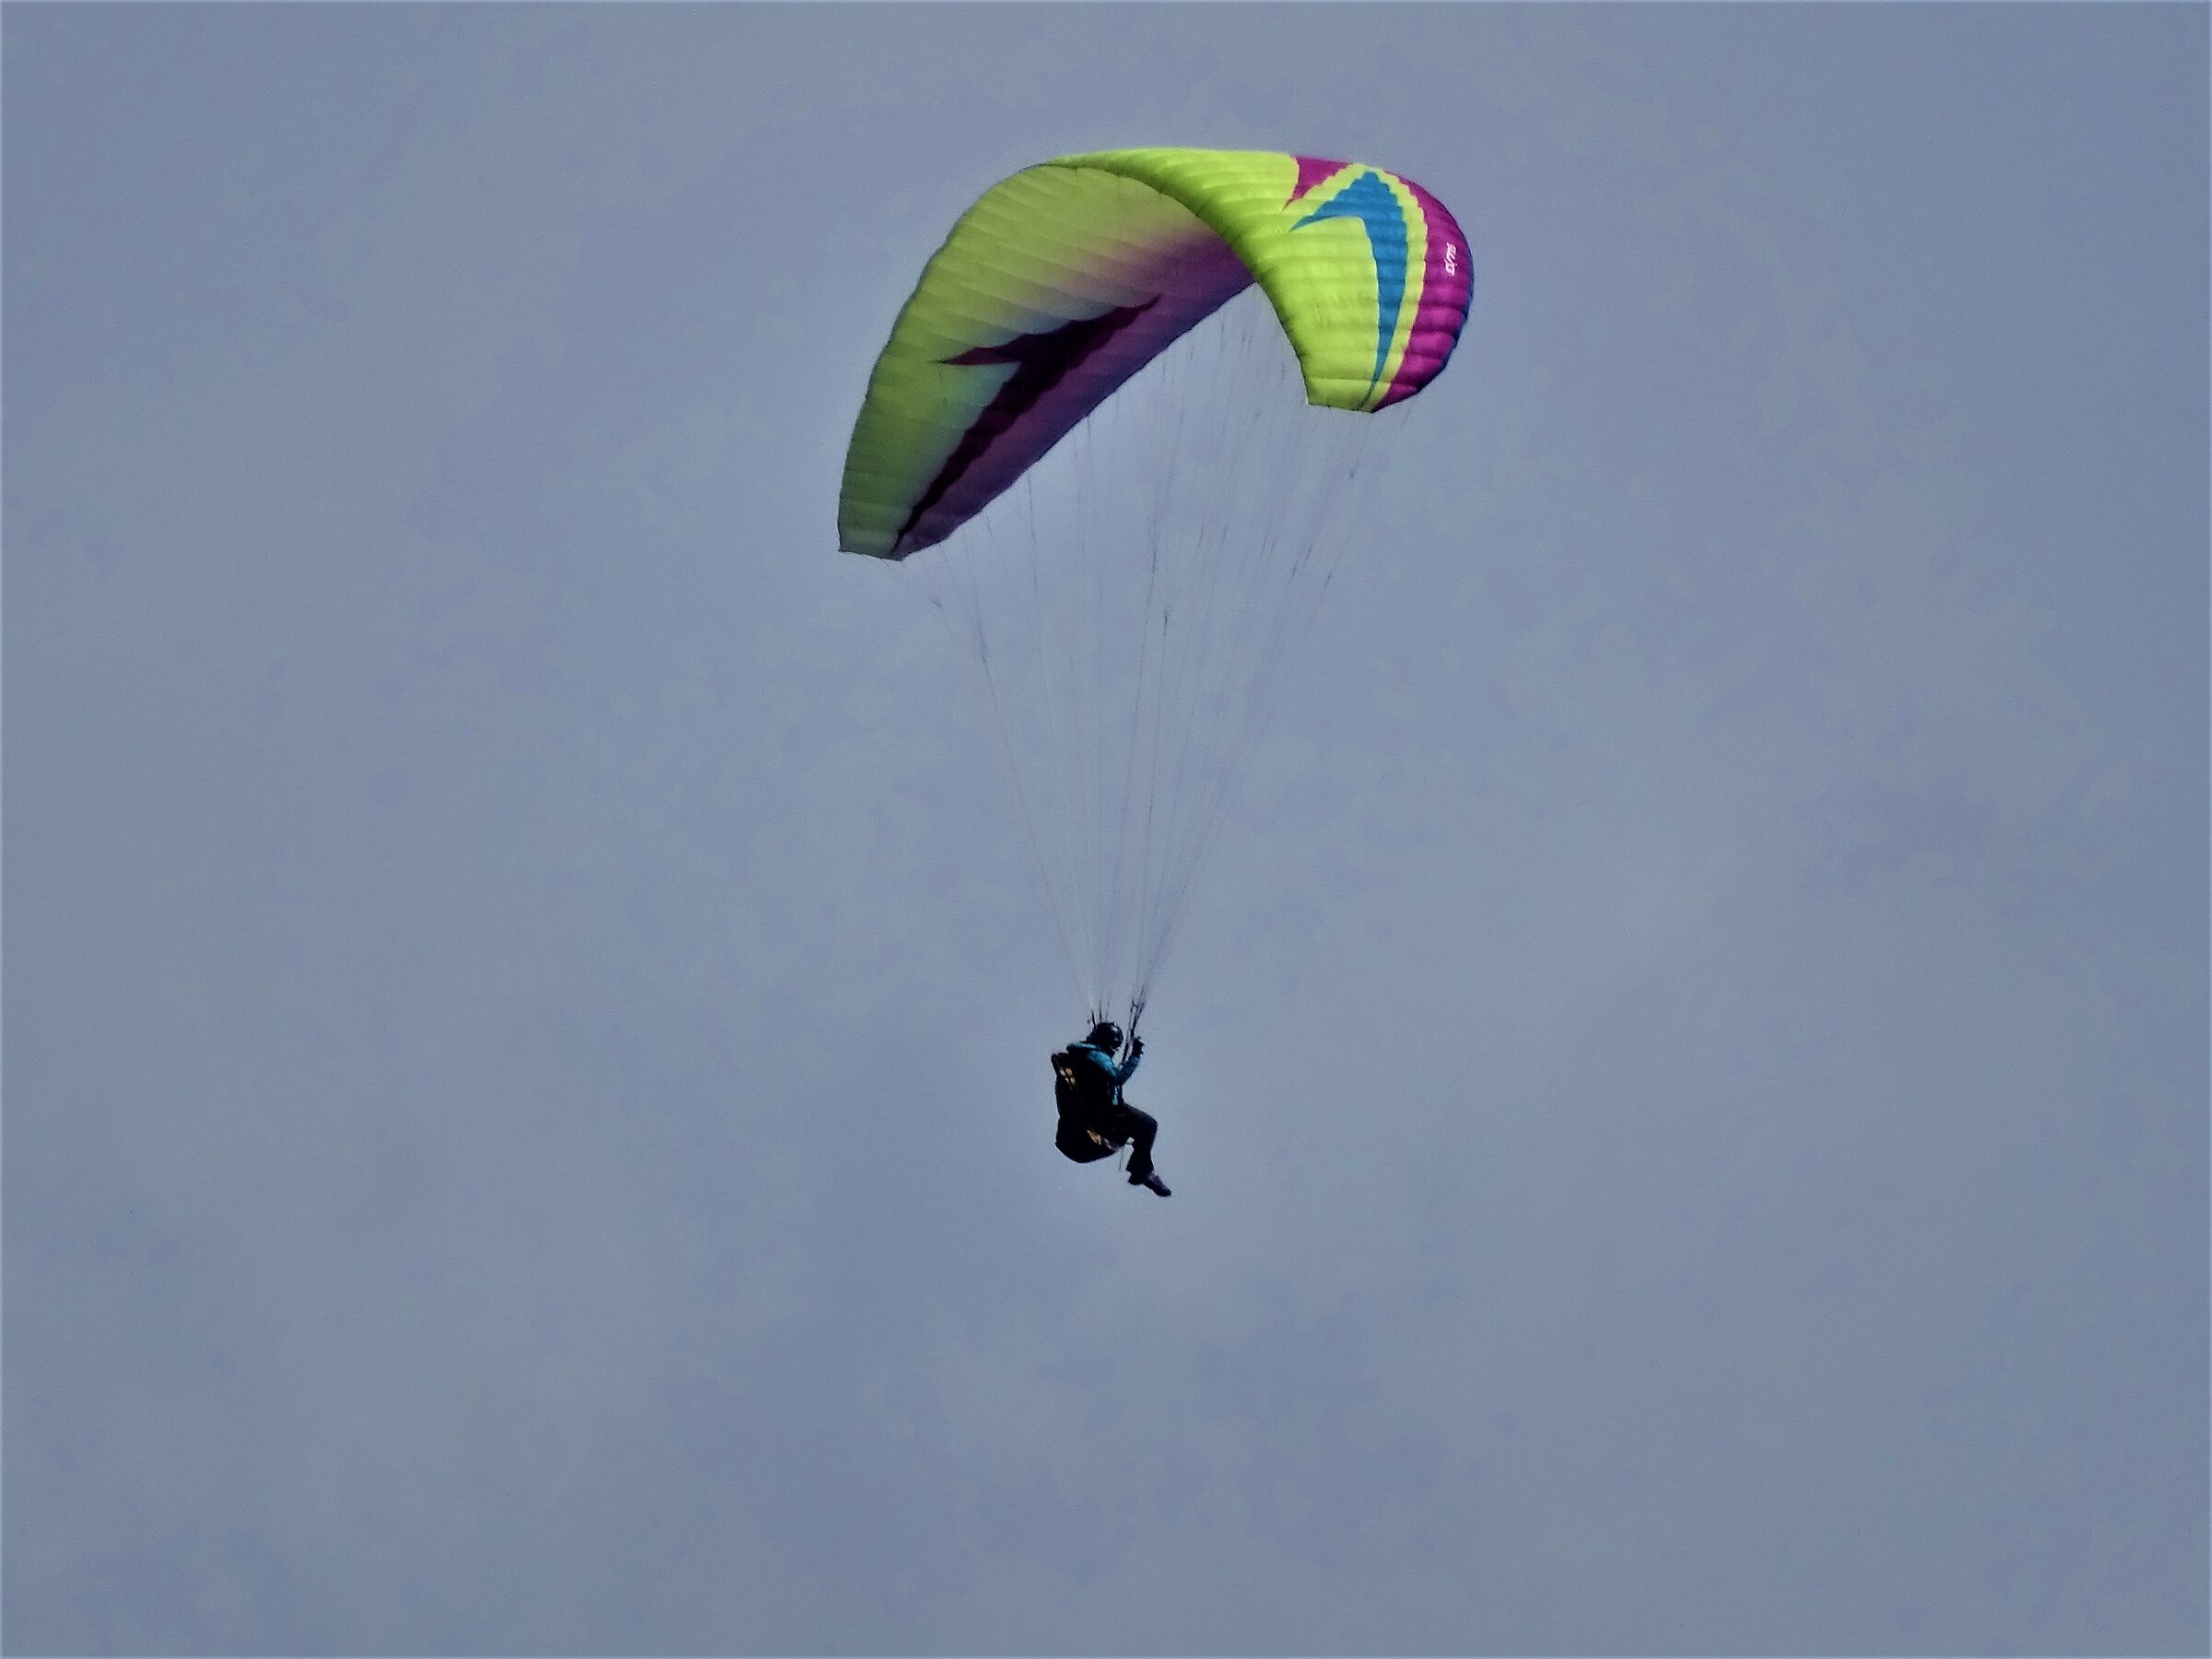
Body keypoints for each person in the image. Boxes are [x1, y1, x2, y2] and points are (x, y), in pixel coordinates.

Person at [1052, 1019, 1171, 1196]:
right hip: (1101, 1119)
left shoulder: (1079, 1056)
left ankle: (1142, 1169)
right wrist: (1135, 1055)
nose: (1113, 1051)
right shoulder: (1095, 1055)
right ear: (1105, 1042)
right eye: (1113, 1046)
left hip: (1078, 1138)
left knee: (1138, 1127)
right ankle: (1142, 1171)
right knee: (1148, 1125)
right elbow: (1117, 1077)